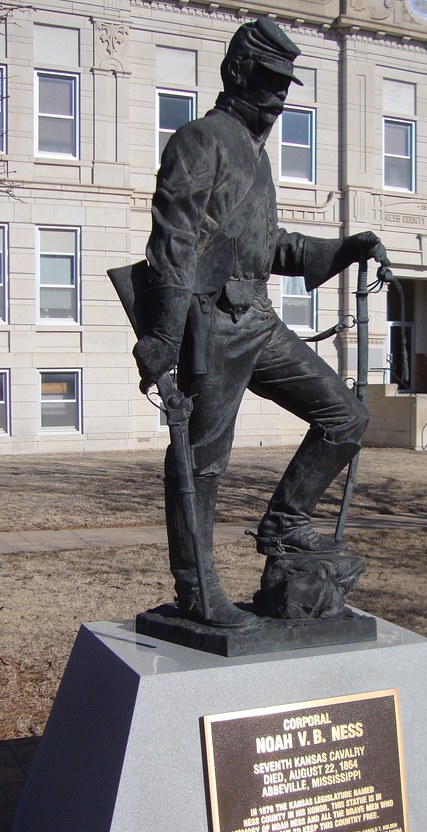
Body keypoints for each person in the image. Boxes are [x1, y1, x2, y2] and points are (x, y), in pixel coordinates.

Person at [133, 16, 389, 628]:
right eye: (270, 82)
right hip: (209, 323)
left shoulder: (254, 154)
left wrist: (346, 247)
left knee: (345, 416)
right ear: (238, 73)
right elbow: (172, 242)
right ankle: (197, 589)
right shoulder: (202, 139)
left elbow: (267, 246)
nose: (278, 98)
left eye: (285, 86)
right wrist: (165, 336)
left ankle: (285, 521)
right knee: (201, 463)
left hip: (257, 319)